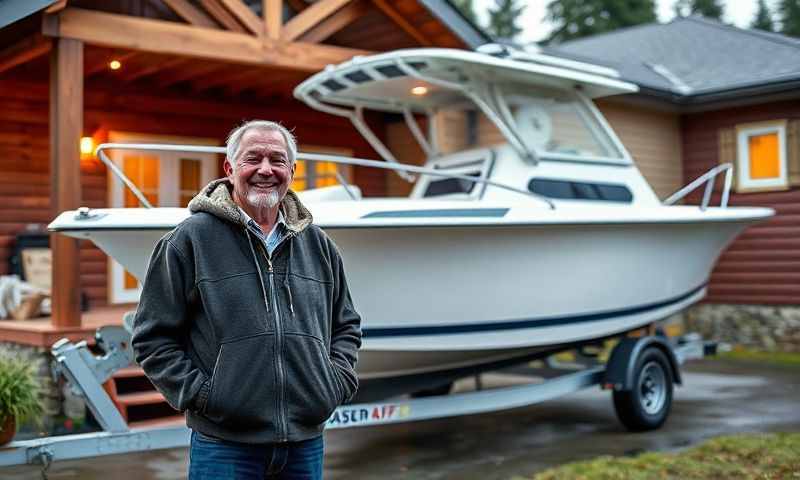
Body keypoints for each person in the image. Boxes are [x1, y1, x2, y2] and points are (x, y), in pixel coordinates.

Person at [131, 120, 362, 479]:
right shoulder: (189, 241)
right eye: (253, 158)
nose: (266, 169)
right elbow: (152, 338)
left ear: (292, 171)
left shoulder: (318, 245)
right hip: (224, 446)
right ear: (230, 168)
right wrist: (205, 396)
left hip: (304, 442)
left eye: (277, 160)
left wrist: (333, 384)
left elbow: (345, 324)